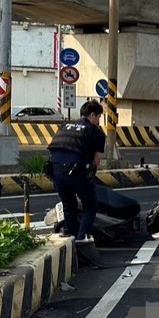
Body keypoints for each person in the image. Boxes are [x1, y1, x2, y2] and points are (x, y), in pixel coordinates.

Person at [47, 101, 106, 243]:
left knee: (69, 206)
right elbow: (96, 160)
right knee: (90, 206)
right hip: (76, 171)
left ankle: (72, 241)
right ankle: (82, 240)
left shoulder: (65, 126)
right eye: (98, 117)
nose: (98, 121)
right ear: (92, 115)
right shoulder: (95, 132)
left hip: (55, 171)